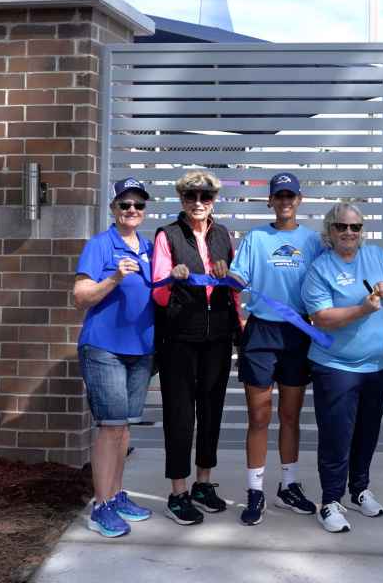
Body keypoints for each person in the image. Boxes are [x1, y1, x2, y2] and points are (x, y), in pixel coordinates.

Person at [302, 202, 383, 533]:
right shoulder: (320, 268)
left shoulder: (375, 256)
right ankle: (330, 501)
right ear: (330, 231)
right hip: (335, 366)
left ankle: (359, 490)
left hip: (375, 365)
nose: (349, 233)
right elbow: (321, 318)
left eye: (355, 227)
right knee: (336, 436)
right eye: (342, 227)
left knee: (366, 433)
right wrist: (362, 309)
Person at [228, 172, 324, 525]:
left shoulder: (312, 241)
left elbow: (325, 280)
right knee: (259, 416)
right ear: (270, 200)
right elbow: (239, 277)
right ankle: (255, 491)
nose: (285, 202)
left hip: (297, 332)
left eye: (291, 196)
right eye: (279, 196)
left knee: (290, 415)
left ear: (299, 200)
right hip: (261, 334)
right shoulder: (256, 237)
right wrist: (228, 276)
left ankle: (288, 486)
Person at [151, 171, 241, 526]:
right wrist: (173, 276)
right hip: (180, 338)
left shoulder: (223, 235)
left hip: (217, 337)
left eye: (205, 197)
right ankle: (178, 491)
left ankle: (203, 483)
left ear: (215, 199)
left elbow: (237, 286)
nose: (198, 203)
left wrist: (229, 278)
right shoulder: (167, 235)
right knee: (179, 416)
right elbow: (157, 292)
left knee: (211, 411)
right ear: (181, 199)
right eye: (191, 196)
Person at [71, 178, 157, 538]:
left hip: (141, 351)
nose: (132, 211)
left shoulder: (152, 247)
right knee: (109, 428)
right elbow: (81, 296)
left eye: (138, 205)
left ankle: (117, 495)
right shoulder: (100, 245)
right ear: (113, 209)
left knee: (123, 428)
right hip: (104, 349)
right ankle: (100, 506)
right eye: (125, 205)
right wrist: (114, 279)